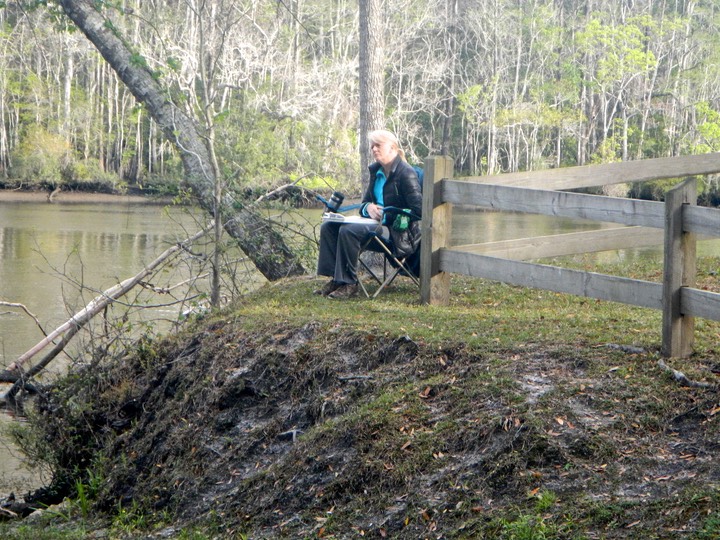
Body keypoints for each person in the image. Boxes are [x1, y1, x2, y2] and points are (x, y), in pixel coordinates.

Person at [315, 129, 422, 299]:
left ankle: (349, 284)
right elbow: (364, 205)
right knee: (329, 226)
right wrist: (368, 209)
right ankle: (336, 279)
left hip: (397, 232)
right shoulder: (376, 172)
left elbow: (418, 210)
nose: (373, 149)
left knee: (348, 231)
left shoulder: (406, 173)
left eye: (378, 145)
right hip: (373, 225)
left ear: (393, 148)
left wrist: (386, 215)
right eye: (372, 146)